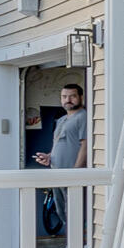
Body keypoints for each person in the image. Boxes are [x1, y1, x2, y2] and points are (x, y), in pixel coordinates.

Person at [34, 82, 89, 237]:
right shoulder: (62, 119)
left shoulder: (83, 117)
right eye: (64, 96)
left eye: (72, 96)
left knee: (75, 210)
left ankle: (80, 245)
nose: (68, 99)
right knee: (61, 209)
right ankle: (71, 243)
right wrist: (49, 157)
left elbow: (85, 145)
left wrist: (76, 172)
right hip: (57, 172)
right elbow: (59, 143)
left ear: (80, 97)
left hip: (72, 173)